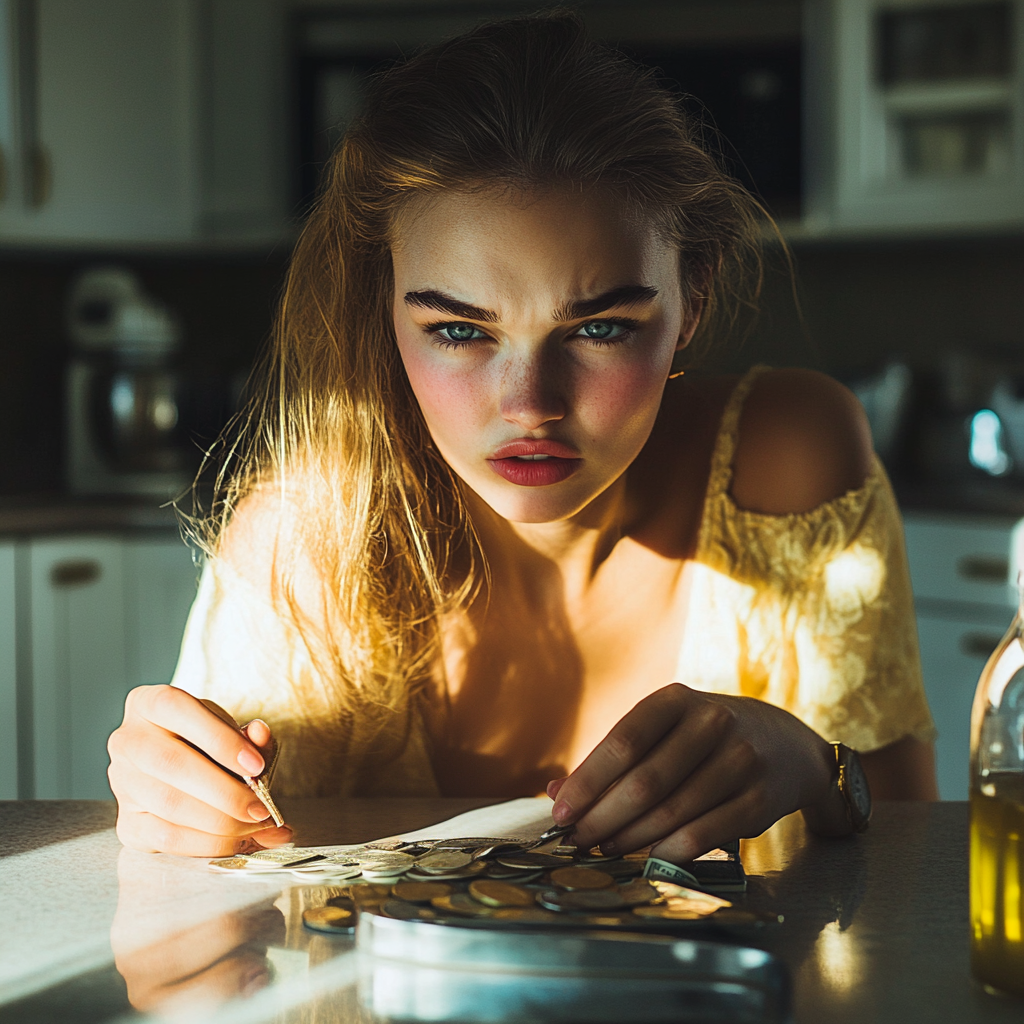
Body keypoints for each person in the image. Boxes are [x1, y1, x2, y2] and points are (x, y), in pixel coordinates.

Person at [106, 12, 938, 860]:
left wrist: (808, 760)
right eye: (460, 332)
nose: (529, 403)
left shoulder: (789, 461)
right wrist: (172, 800)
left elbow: (915, 877)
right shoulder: (302, 538)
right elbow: (220, 908)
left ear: (697, 294)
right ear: (383, 307)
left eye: (601, 328)